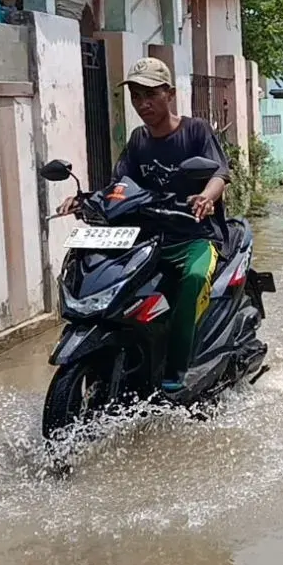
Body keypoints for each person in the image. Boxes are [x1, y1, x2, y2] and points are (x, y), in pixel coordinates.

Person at [57, 57, 231, 386]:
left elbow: (219, 173)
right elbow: (120, 186)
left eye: (150, 94)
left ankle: (177, 371)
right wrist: (85, 200)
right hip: (148, 239)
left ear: (170, 94)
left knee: (193, 280)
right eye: (136, 96)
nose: (142, 103)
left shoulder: (195, 131)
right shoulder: (138, 140)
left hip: (193, 237)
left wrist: (207, 196)